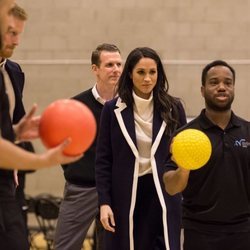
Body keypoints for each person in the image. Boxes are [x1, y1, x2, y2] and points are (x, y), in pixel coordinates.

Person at [95, 47, 186, 250]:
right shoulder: (112, 110)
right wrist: (104, 202)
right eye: (141, 72)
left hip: (163, 191)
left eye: (152, 72)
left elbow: (180, 155)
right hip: (125, 194)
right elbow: (103, 161)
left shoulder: (174, 107)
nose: (147, 78)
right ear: (130, 73)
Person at [163, 60, 250, 250]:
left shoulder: (247, 131)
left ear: (234, 88)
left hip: (244, 231)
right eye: (214, 82)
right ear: (202, 90)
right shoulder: (184, 136)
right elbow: (171, 187)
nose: (221, 87)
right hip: (199, 232)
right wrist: (183, 168)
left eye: (228, 83)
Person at [54, 43, 122, 250]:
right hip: (82, 188)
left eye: (119, 64)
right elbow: (61, 146)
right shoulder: (76, 106)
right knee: (64, 246)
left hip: (118, 190)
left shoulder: (130, 105)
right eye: (109, 64)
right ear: (95, 69)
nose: (116, 69)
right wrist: (78, 171)